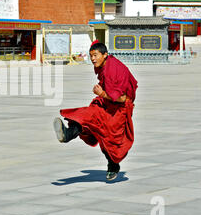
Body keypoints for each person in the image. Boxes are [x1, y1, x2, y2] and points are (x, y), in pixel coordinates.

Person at [53, 41, 138, 181]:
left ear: (105, 55)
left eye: (95, 55)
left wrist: (103, 94)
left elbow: (122, 98)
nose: (92, 59)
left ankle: (113, 165)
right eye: (91, 55)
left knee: (108, 138)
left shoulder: (113, 69)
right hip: (107, 102)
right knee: (88, 115)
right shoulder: (107, 65)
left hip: (118, 109)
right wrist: (103, 95)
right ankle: (68, 134)